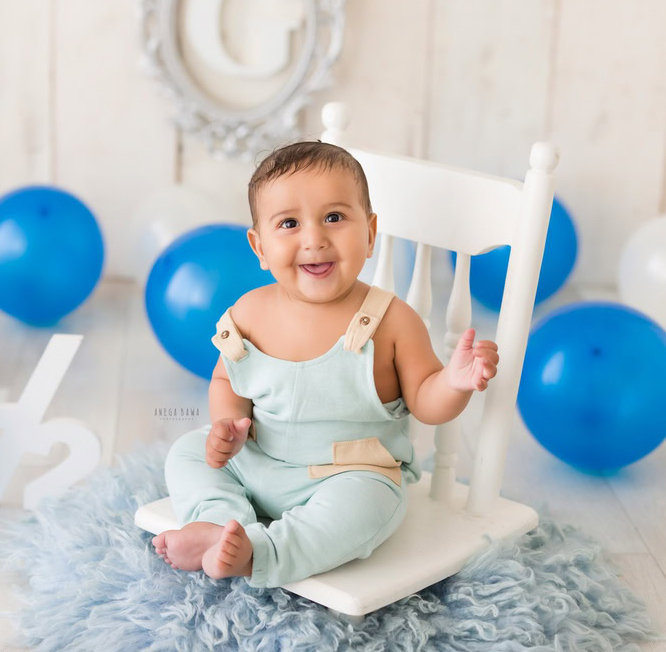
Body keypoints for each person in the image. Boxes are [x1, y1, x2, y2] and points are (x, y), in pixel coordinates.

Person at [153, 140, 500, 586]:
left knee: (369, 508)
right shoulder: (249, 313)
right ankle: (220, 523)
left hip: (349, 478)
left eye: (334, 217)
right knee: (187, 454)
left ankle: (264, 552)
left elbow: (426, 401)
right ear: (259, 247)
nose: (314, 239)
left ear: (370, 233)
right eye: (290, 223)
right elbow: (226, 381)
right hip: (259, 461)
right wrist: (227, 426)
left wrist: (453, 382)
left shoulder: (392, 321)